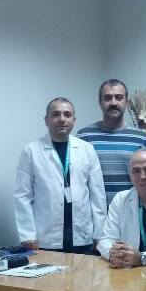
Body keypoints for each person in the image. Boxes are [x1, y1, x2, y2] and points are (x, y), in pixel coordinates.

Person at [14, 97, 106, 254]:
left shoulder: (87, 149)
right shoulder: (31, 151)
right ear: (46, 120)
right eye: (56, 114)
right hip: (45, 238)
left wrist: (100, 233)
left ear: (74, 120)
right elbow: (22, 195)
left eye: (67, 114)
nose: (62, 119)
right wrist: (28, 234)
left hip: (82, 235)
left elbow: (98, 195)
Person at [77, 79, 146, 204]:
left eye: (119, 97)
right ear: (100, 103)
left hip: (130, 210)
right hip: (93, 211)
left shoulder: (141, 138)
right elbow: (77, 177)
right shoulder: (83, 137)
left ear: (126, 103)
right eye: (107, 98)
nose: (113, 103)